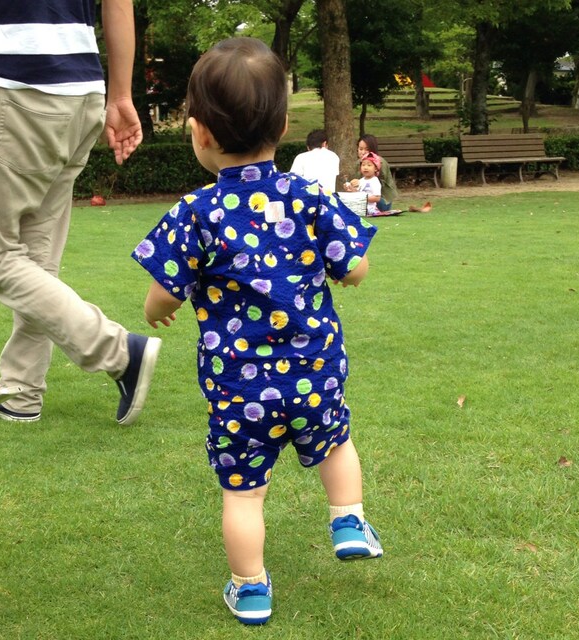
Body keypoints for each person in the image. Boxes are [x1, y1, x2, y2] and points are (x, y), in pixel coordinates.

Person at [132, 37, 383, 626]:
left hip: (239, 388)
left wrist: (153, 311)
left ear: (198, 132)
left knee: (243, 493)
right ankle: (348, 518)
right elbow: (355, 268)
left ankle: (250, 590)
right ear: (284, 125)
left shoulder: (195, 211)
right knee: (336, 442)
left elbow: (165, 290)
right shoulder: (308, 196)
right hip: (315, 372)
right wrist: (342, 271)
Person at [0, 0, 161, 425]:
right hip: (83, 95)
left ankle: (119, 351)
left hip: (12, 86)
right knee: (37, 256)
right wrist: (120, 95)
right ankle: (21, 389)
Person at [356, 133, 398, 211]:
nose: (363, 152)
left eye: (367, 149)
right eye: (361, 149)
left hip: (381, 199)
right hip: (366, 198)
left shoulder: (380, 162)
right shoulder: (358, 163)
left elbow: (377, 188)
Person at [343, 152, 383, 217]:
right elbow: (357, 193)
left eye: (369, 165)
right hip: (359, 207)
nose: (365, 167)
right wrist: (350, 188)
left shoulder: (375, 181)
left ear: (376, 169)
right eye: (363, 165)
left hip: (370, 208)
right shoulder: (361, 180)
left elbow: (377, 198)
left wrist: (363, 198)